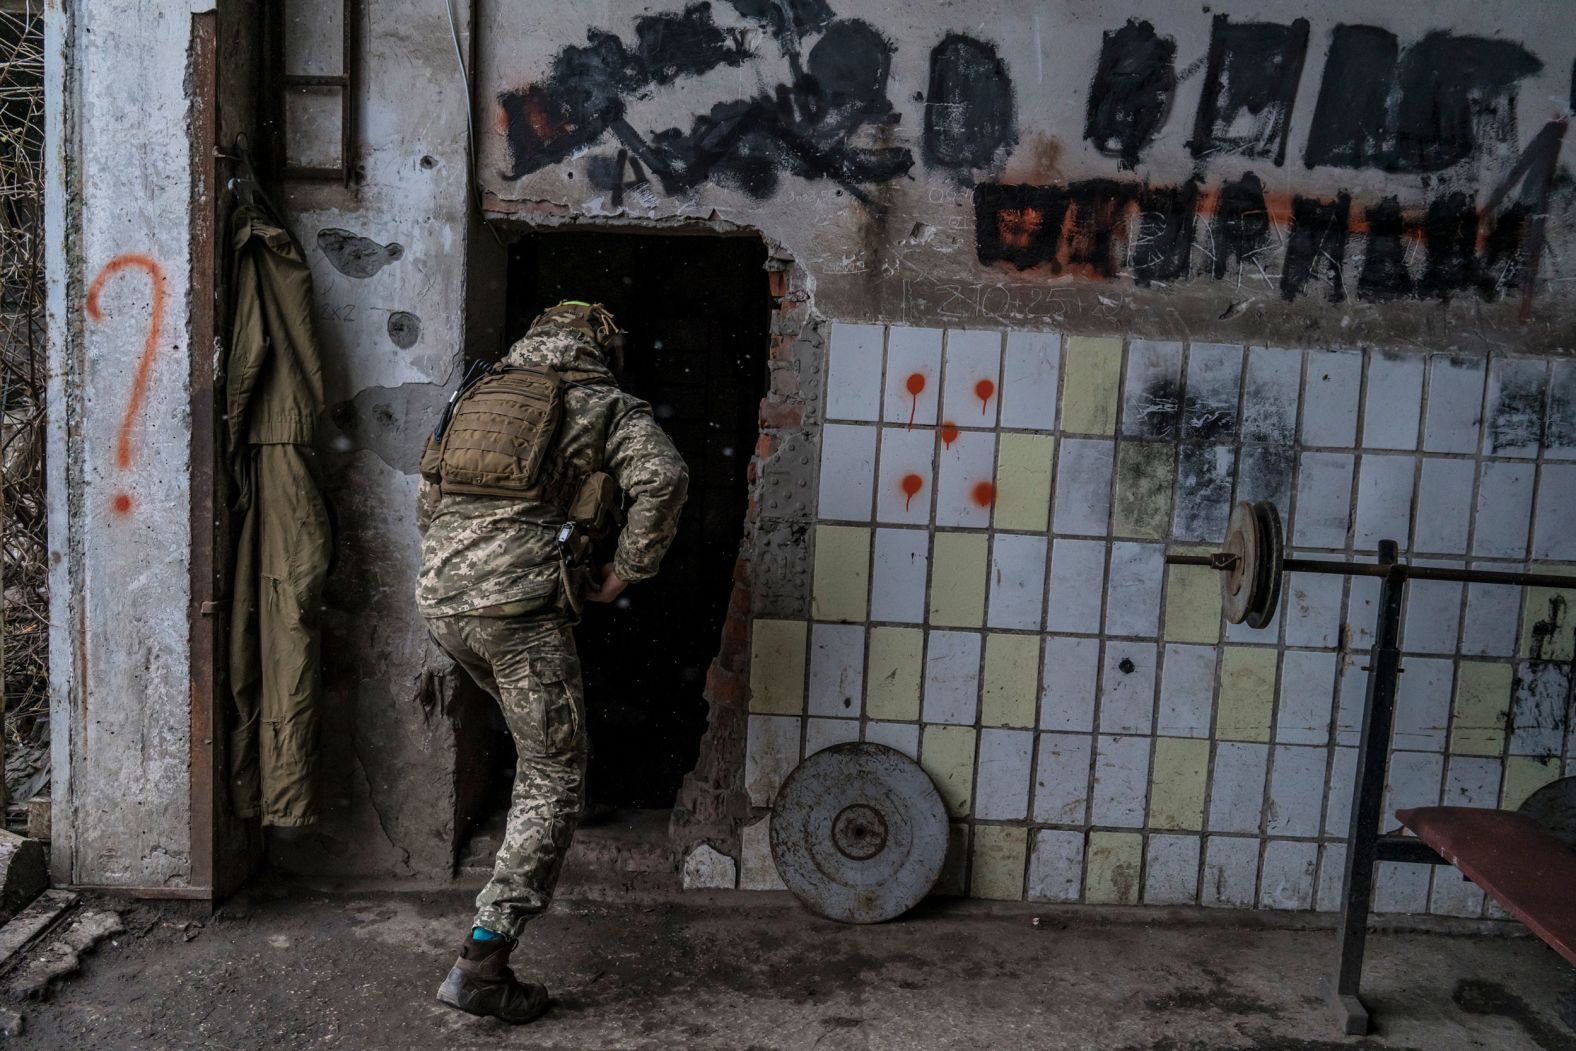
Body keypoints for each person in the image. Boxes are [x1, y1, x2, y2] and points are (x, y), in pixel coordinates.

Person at [415, 301, 688, 1023]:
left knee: (538, 729)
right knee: (551, 768)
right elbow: (664, 477)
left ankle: (565, 794)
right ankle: (483, 958)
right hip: (519, 614)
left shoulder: (478, 393)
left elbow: (428, 496)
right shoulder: (604, 401)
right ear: (601, 347)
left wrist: (465, 569)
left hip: (443, 603)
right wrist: (626, 570)